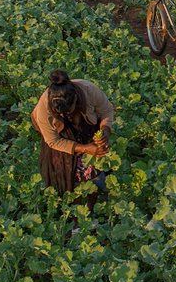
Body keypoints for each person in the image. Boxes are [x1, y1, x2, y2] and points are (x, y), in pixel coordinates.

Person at [30, 69, 114, 205]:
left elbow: (107, 110)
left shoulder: (89, 90)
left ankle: (94, 198)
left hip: (85, 129)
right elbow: (53, 141)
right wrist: (85, 148)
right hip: (60, 137)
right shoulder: (43, 108)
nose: (64, 116)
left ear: (75, 97)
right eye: (60, 114)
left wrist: (105, 130)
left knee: (93, 169)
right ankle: (71, 204)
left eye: (68, 111)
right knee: (64, 170)